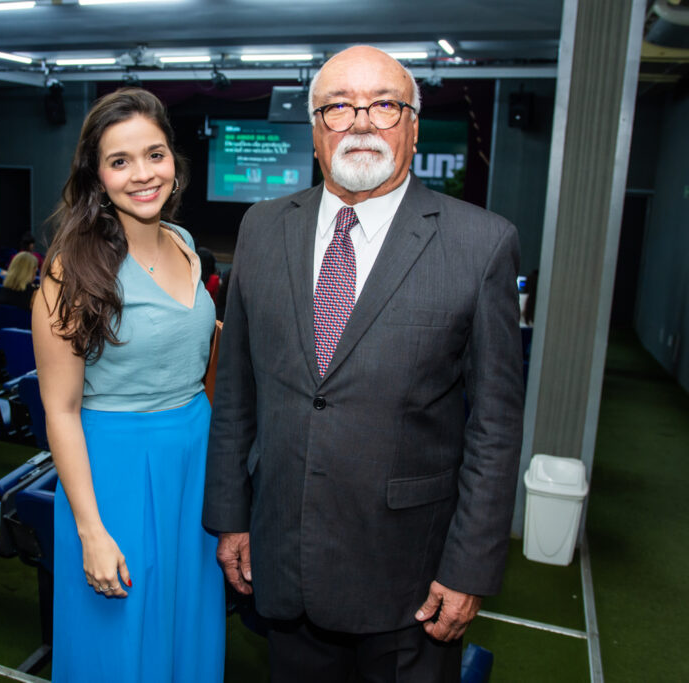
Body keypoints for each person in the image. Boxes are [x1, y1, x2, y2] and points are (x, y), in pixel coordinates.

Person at [203, 46, 524, 682]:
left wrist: (470, 567)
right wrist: (231, 518)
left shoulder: (481, 243)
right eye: (338, 107)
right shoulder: (261, 229)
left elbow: (495, 426)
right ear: (316, 130)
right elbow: (236, 390)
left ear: (411, 123)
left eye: (383, 104)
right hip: (285, 563)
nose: (361, 121)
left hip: (409, 579)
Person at [32, 88, 224, 682]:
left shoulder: (186, 244)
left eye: (155, 154)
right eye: (120, 161)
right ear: (97, 175)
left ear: (175, 161)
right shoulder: (69, 272)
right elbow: (60, 410)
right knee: (118, 645)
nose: (143, 175)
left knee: (188, 624)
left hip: (193, 458)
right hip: (114, 469)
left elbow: (202, 352)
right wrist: (91, 530)